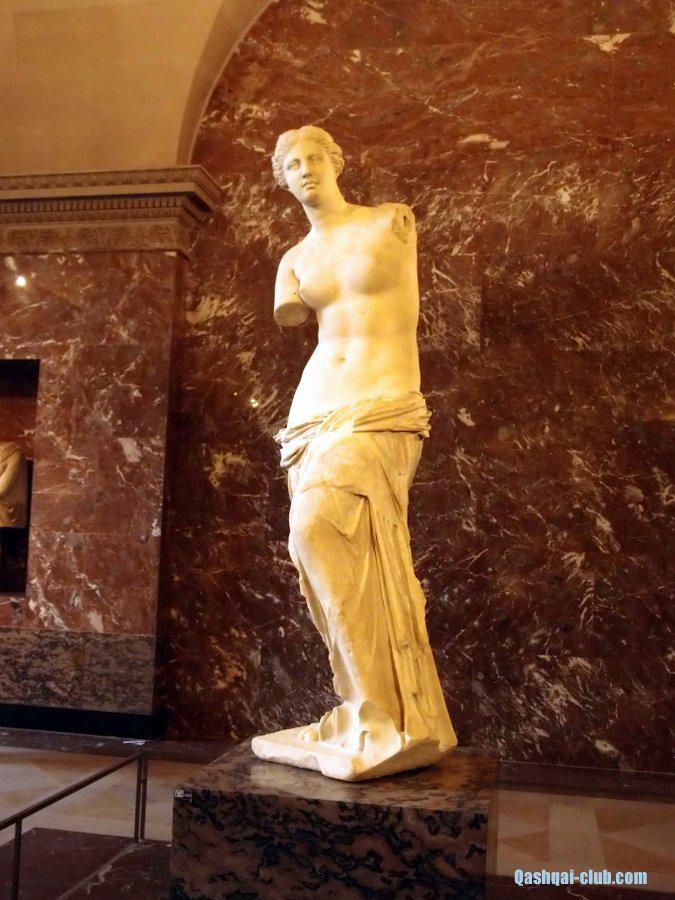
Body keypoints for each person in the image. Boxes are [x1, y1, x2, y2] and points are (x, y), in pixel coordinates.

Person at [251, 125, 457, 781]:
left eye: (315, 157)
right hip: (312, 414)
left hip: (381, 404)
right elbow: (299, 321)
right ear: (282, 180)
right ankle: (371, 709)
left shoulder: (389, 223)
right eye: (291, 164)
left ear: (337, 162)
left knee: (316, 529)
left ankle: (379, 712)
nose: (305, 169)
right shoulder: (293, 261)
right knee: (317, 551)